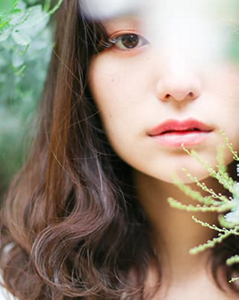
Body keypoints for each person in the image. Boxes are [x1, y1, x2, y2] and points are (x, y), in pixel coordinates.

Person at [1, 0, 239, 299]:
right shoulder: (14, 286)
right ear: (81, 72)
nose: (178, 83)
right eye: (129, 40)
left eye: (224, 35)